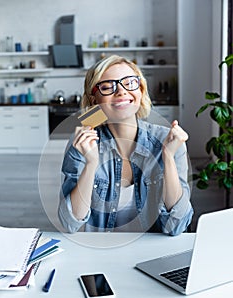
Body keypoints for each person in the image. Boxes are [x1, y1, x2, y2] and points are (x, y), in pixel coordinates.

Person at [58, 55, 193, 234]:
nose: (121, 92)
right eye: (107, 87)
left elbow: (176, 226)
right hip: (103, 251)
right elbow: (70, 223)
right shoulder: (83, 144)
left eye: (129, 83)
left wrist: (167, 157)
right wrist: (90, 164)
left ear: (141, 90)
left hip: (155, 252)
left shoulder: (169, 141)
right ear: (94, 100)